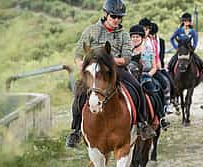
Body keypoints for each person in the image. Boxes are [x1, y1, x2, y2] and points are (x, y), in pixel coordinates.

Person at [66, 0, 156, 148]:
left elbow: (126, 57)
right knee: (79, 93)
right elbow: (78, 52)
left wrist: (108, 61)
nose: (116, 20)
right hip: (93, 70)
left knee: (137, 86)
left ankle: (142, 123)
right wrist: (80, 63)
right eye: (113, 16)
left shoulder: (124, 35)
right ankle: (75, 130)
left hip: (115, 70)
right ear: (105, 14)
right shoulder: (91, 30)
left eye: (120, 17)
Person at [129, 24, 171, 130]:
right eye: (133, 37)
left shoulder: (149, 50)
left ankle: (161, 117)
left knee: (154, 92)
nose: (135, 39)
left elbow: (154, 67)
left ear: (142, 38)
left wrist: (147, 75)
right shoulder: (127, 52)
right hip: (130, 77)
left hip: (145, 76)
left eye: (137, 37)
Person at [167, 12, 203, 81]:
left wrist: (193, 48)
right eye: (185, 21)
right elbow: (171, 39)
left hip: (189, 51)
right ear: (183, 21)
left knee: (200, 62)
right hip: (180, 51)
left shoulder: (193, 32)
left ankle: (201, 75)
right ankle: (170, 75)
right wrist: (176, 47)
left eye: (188, 21)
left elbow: (195, 41)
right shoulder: (178, 30)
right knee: (171, 63)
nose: (187, 22)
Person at [149, 22, 174, 114]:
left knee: (168, 81)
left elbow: (161, 55)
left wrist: (159, 65)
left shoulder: (161, 42)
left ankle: (170, 102)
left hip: (159, 66)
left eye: (152, 34)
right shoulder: (145, 41)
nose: (151, 36)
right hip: (150, 67)